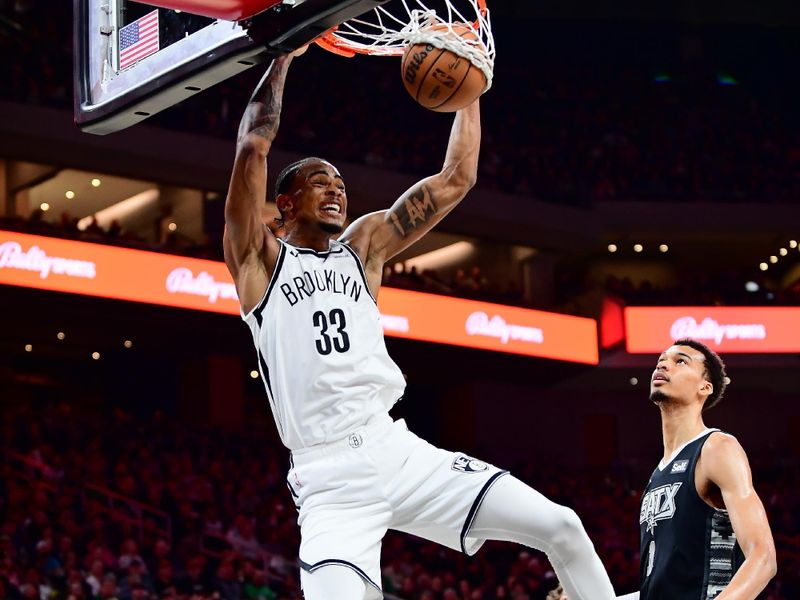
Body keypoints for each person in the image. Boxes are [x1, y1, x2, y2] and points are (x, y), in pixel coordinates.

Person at [223, 49, 618, 600]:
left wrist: (472, 84)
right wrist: (284, 54)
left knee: (563, 527)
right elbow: (252, 145)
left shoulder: (362, 250)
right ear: (284, 203)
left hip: (397, 450)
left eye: (340, 182)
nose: (337, 188)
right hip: (329, 481)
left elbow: (457, 178)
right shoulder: (259, 262)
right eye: (320, 182)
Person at [621, 339, 776, 599]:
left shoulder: (717, 448)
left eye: (680, 361)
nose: (664, 365)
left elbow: (763, 557)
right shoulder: (658, 472)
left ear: (704, 387)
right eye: (662, 360)